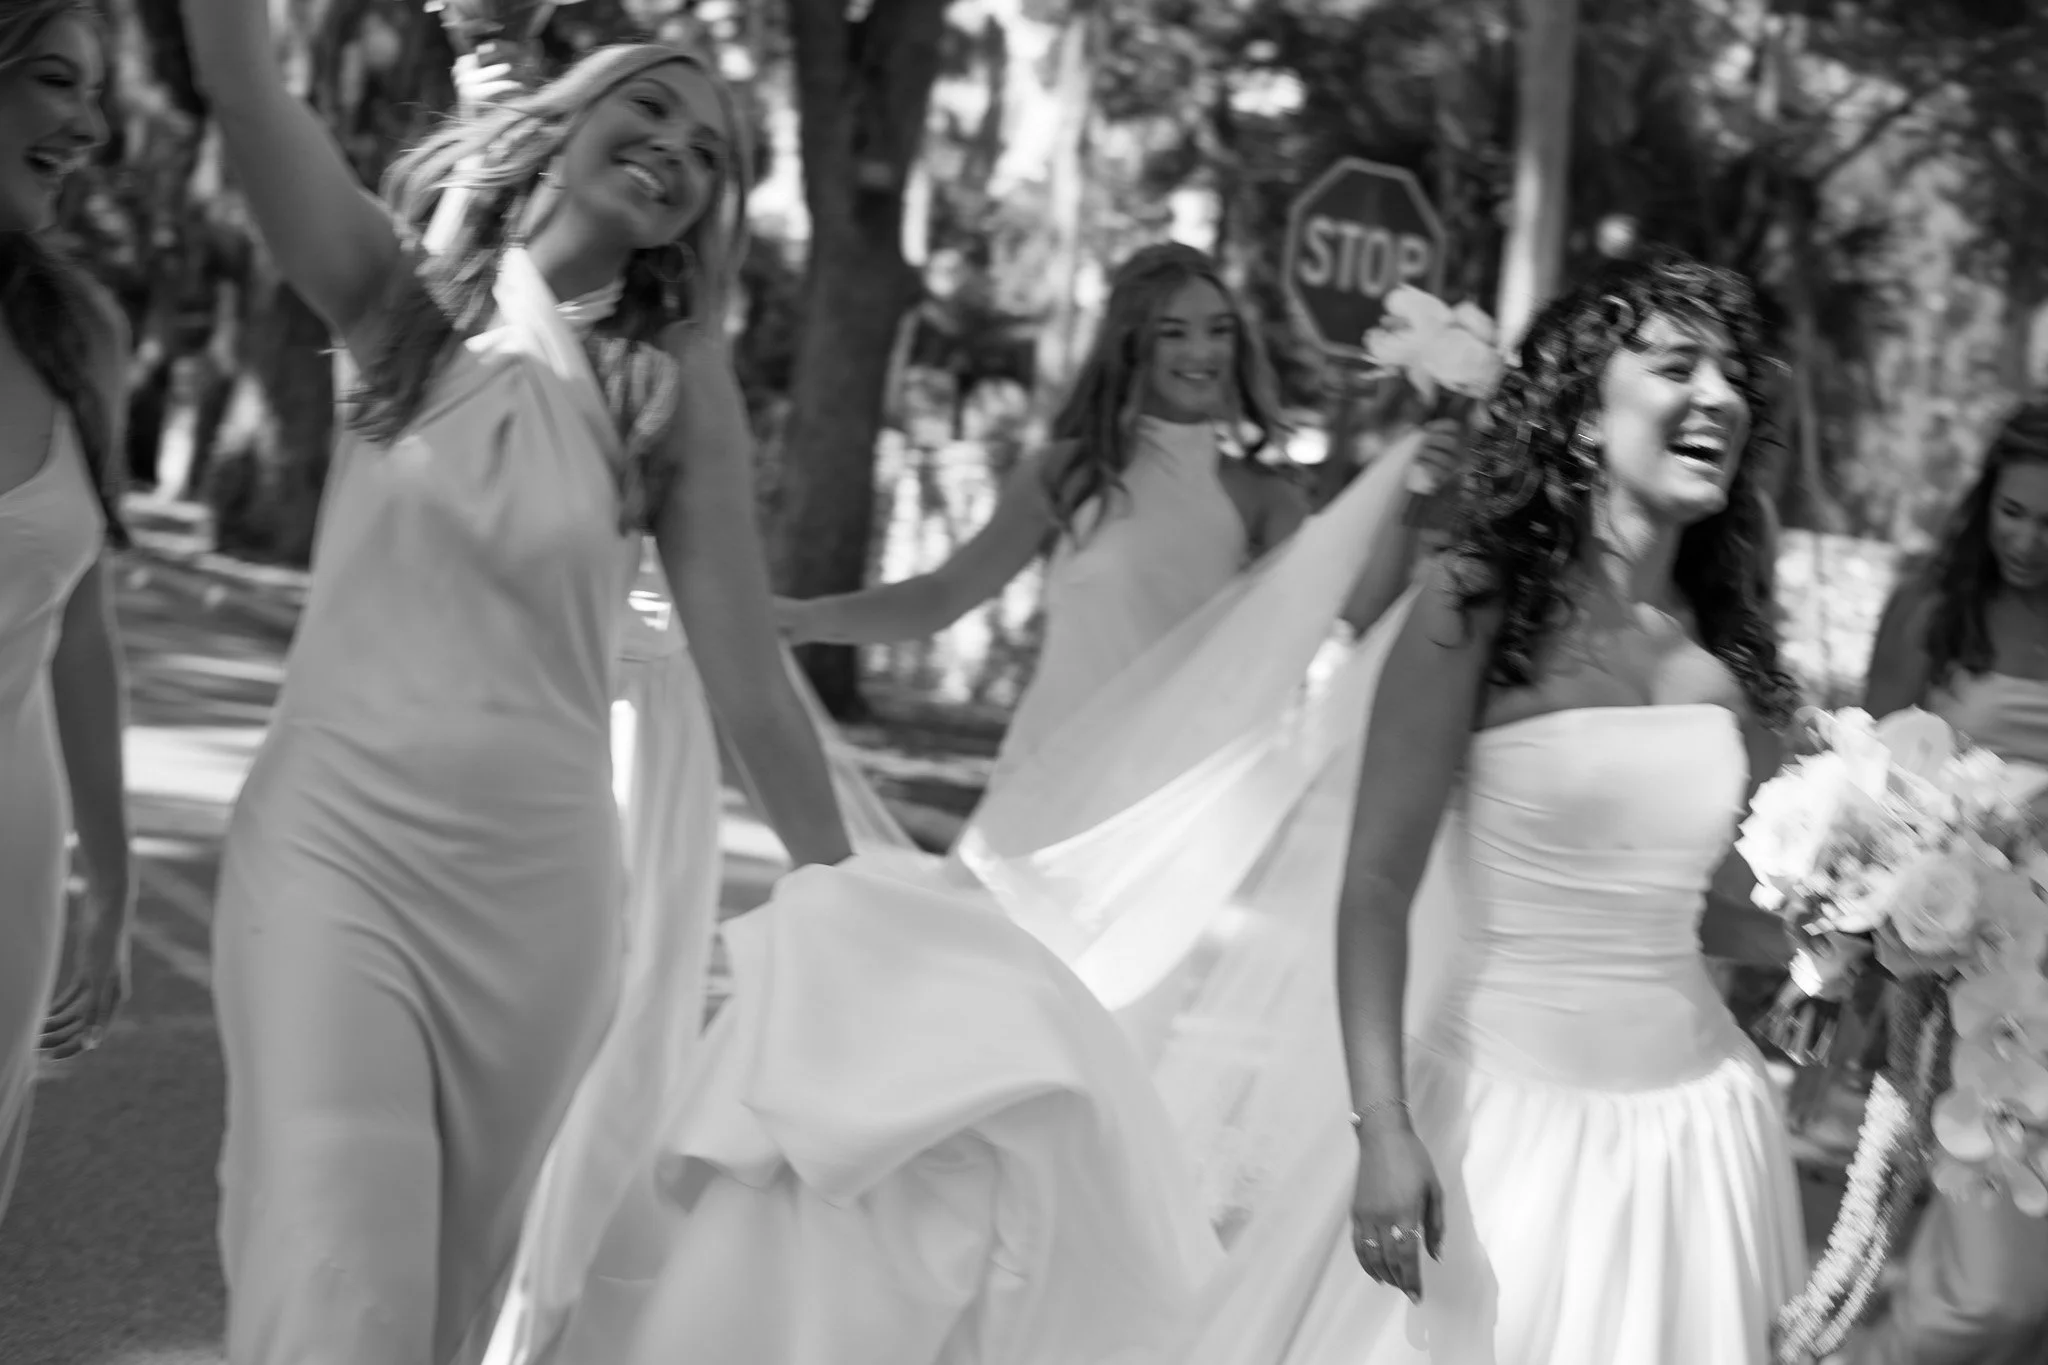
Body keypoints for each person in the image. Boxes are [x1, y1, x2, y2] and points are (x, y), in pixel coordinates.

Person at [178, 13, 856, 1361]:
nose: (674, 151)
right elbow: (247, 96)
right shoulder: (396, 300)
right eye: (651, 112)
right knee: (337, 1273)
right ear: (569, 116)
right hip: (334, 853)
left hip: (537, 914)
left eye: (709, 155)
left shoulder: (666, 395)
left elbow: (753, 690)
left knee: (433, 1313)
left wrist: (863, 901)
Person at [1290, 250, 1811, 1363]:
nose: (1717, 397)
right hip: (1502, 1125)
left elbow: (1722, 914)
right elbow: (1375, 887)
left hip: (1692, 1135)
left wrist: (1872, 946)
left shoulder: (1732, 662)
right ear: (1578, 418)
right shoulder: (1469, 607)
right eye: (1676, 367)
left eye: (1732, 380)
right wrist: (1382, 1127)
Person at [776, 242, 1320, 780]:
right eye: (1172, 333)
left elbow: (1316, 632)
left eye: (1219, 330)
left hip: (1168, 800)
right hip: (1047, 780)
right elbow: (941, 597)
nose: (1202, 352)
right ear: (1132, 345)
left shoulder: (1265, 500)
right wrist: (808, 619)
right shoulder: (1069, 474)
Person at [1829, 399, 2048, 1365]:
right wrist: (1860, 973)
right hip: (1979, 974)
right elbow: (1868, 792)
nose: (2029, 542)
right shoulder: (1932, 607)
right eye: (2012, 512)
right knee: (1991, 1295)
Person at [0, 0, 134, 1224]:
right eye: (54, 81)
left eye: (92, 93)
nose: (86, 124)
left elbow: (85, 630)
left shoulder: (80, 335)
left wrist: (114, 881)